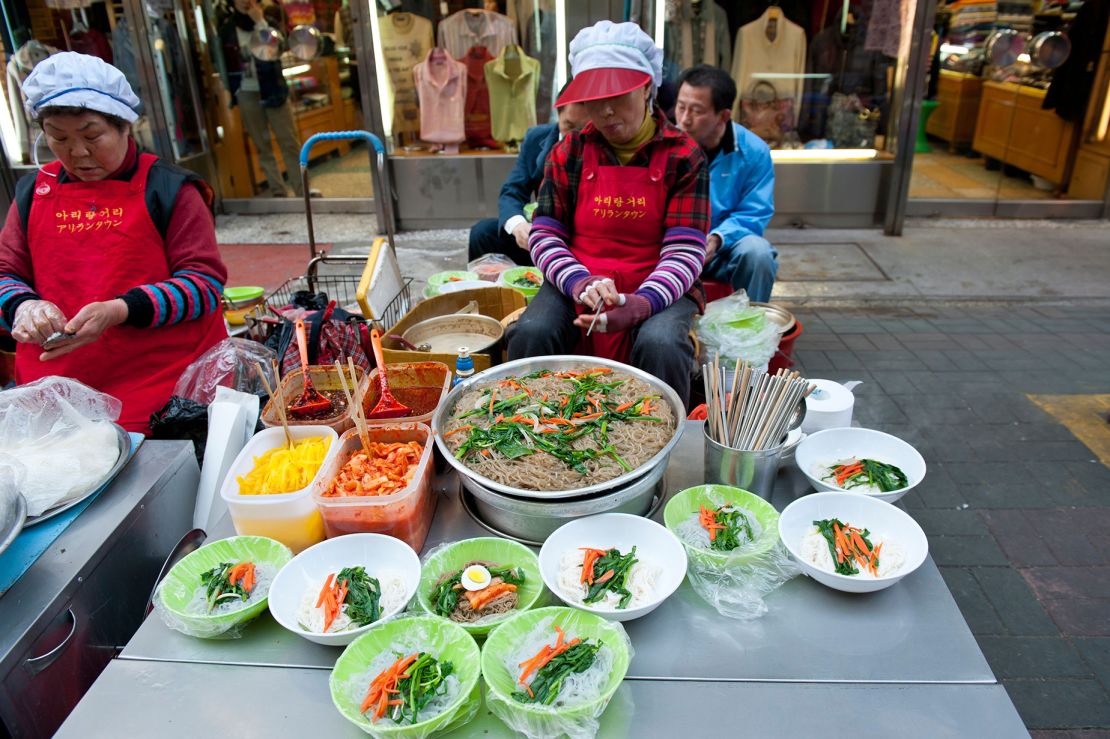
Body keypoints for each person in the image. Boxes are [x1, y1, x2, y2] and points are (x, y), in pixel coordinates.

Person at [0, 53, 229, 432]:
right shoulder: (31, 193)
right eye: (59, 138)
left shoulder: (170, 189)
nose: (78, 152)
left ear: (125, 126)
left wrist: (120, 310)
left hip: (163, 393)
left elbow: (203, 286)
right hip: (59, 396)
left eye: (92, 136)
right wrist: (22, 307)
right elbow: (6, 274)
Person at [508, 21, 709, 407]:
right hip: (579, 275)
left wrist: (641, 304)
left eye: (618, 95)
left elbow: (686, 251)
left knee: (661, 343)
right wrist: (580, 283)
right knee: (532, 332)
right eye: (594, 99)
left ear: (648, 86)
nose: (605, 111)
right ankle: (532, 434)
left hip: (659, 280)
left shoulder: (684, 156)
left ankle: (660, 452)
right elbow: (545, 235)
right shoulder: (570, 151)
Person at [674, 64, 777, 303]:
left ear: (723, 115)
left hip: (724, 250)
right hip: (674, 246)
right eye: (680, 107)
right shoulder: (666, 146)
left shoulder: (753, 152)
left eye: (696, 111)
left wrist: (718, 238)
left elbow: (754, 213)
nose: (685, 119)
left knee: (758, 253)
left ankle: (750, 331)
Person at [467, 89, 588, 265]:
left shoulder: (600, 144)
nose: (574, 137)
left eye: (582, 129)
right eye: (568, 125)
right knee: (483, 233)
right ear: (558, 112)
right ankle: (488, 289)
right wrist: (519, 226)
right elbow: (513, 190)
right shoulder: (536, 138)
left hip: (581, 240)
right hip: (540, 232)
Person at [218, 0, 306, 198]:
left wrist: (261, 24)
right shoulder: (228, 29)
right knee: (262, 145)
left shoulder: (269, 22)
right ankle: (278, 191)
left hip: (273, 89)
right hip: (247, 92)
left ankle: (301, 189)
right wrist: (233, 91)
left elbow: (280, 48)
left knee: (289, 141)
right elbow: (223, 62)